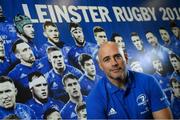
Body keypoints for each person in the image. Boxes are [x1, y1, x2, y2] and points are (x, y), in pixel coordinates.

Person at [86, 42, 172, 119]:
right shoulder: (94, 98)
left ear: (126, 58)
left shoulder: (149, 82)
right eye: (107, 59)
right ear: (101, 66)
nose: (114, 63)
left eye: (118, 57)